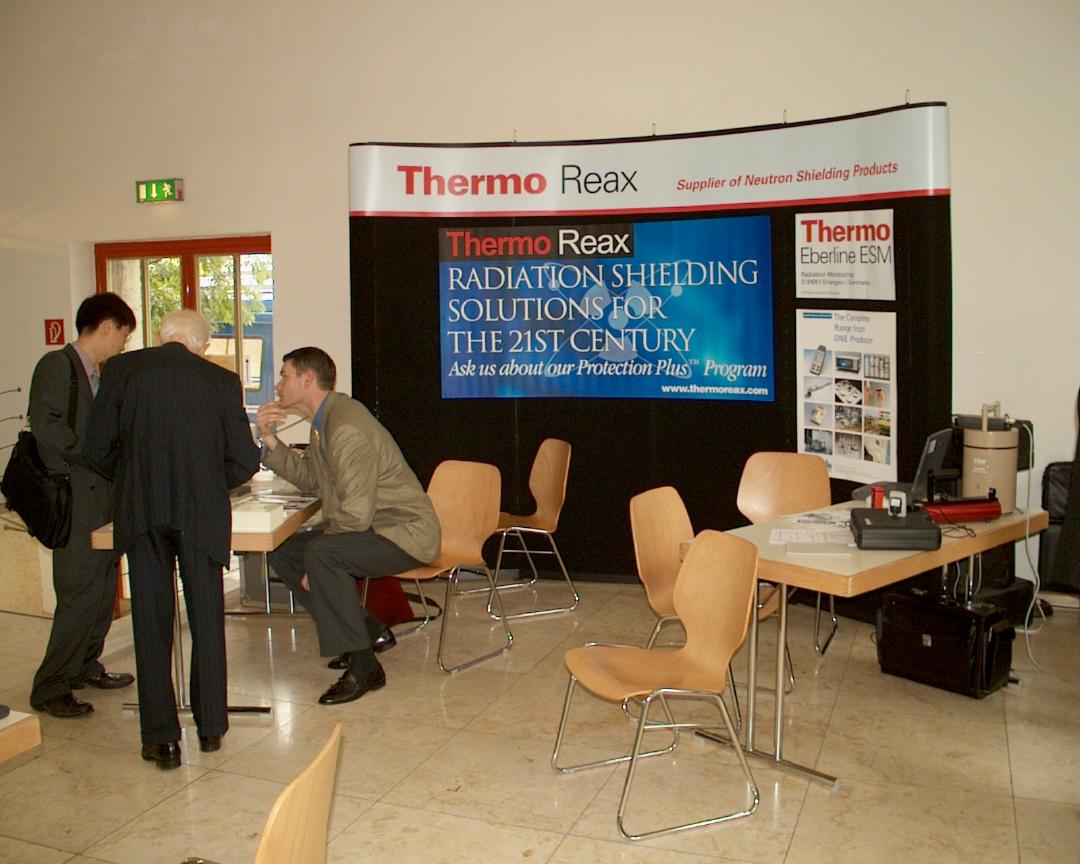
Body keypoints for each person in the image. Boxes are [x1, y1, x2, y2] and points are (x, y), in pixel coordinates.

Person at [84, 310, 260, 769]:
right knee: (207, 619)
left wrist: (131, 477)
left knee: (151, 624)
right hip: (200, 514)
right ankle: (211, 726)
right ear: (203, 346)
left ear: (160, 336)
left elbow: (95, 448)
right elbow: (246, 460)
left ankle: (161, 739)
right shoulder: (221, 382)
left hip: (142, 512)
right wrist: (208, 482)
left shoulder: (122, 370)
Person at [256, 347, 440, 706]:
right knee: (284, 551)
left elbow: (354, 515)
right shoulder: (326, 421)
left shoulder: (345, 427)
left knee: (321, 555)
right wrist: (270, 439)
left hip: (405, 533)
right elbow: (311, 478)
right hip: (377, 526)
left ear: (307, 380)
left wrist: (314, 564)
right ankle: (369, 629)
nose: (278, 385)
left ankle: (364, 666)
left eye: (284, 376)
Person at [28, 292, 136, 719]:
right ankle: (51, 685)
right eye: (124, 334)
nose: (124, 344)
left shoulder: (95, 373)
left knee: (103, 587)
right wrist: (96, 453)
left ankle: (86, 664)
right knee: (79, 592)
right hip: (75, 499)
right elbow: (48, 428)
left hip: (100, 496)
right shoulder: (57, 366)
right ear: (107, 326)